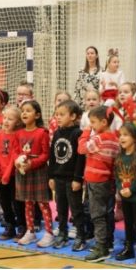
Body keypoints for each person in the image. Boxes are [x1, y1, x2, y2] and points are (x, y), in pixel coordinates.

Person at [79, 106, 120, 262]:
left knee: (97, 215)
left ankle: (101, 247)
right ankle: (107, 243)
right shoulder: (115, 139)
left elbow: (81, 149)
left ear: (104, 122)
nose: (91, 126)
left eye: (93, 122)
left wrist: (85, 133)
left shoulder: (99, 138)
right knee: (107, 213)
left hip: (96, 181)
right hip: (108, 181)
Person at [14, 100, 53, 247]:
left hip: (38, 172)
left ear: (37, 115)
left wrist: (32, 163)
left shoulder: (42, 132)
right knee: (28, 203)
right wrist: (17, 161)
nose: (24, 113)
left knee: (43, 203)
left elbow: (45, 155)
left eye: (28, 110)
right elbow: (16, 151)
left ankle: (49, 232)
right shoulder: (19, 133)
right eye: (22, 110)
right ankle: (30, 231)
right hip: (23, 172)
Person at [49, 100, 86, 251]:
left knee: (76, 209)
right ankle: (62, 233)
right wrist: (50, 176)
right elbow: (52, 156)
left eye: (62, 114)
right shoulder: (57, 133)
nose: (58, 117)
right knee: (61, 208)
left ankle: (80, 236)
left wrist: (78, 178)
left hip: (72, 179)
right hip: (58, 178)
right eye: (57, 114)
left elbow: (80, 158)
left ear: (73, 116)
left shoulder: (78, 133)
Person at [113, 123, 136, 266]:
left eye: (126, 135)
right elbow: (117, 175)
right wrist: (121, 188)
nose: (121, 138)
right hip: (124, 195)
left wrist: (132, 189)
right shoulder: (120, 156)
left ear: (135, 138)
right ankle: (129, 248)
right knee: (127, 222)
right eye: (120, 135)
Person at [0, 104, 25, 240]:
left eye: (10, 119)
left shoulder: (18, 135)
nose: (5, 121)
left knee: (17, 202)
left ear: (17, 122)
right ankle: (10, 226)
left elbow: (14, 155)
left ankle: (22, 227)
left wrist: (7, 174)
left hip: (13, 175)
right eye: (4, 118)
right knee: (4, 202)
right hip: (1, 176)